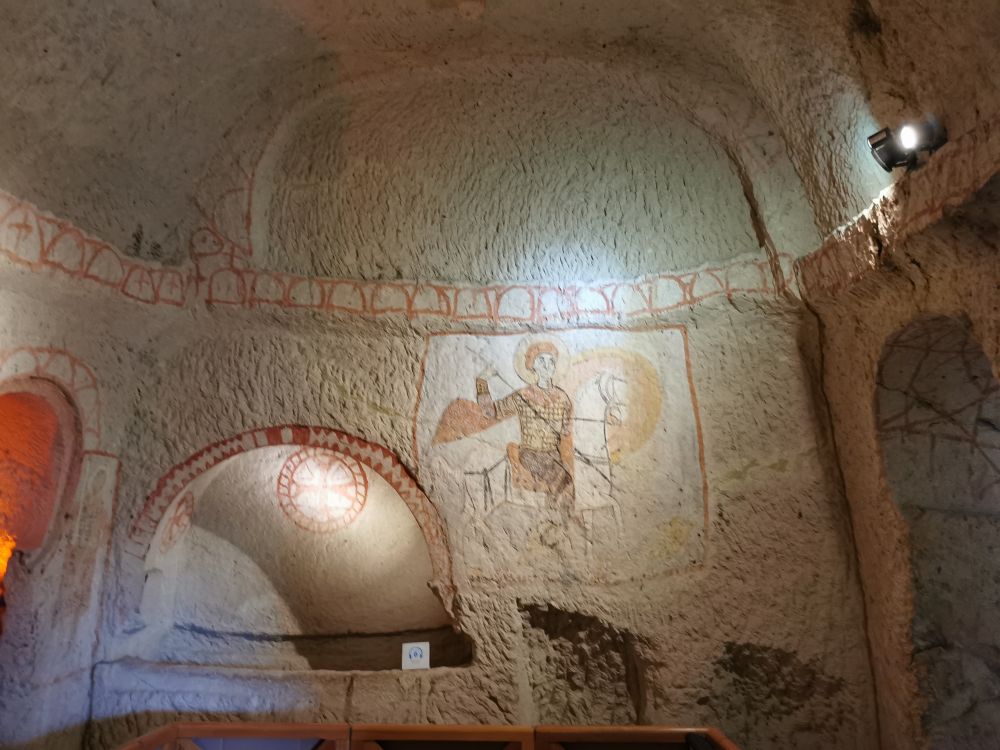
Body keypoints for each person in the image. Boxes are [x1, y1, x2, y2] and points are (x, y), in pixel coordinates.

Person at [475, 341, 574, 509]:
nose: (547, 366)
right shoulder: (523, 396)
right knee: (560, 477)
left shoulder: (563, 398)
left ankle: (559, 516)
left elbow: (566, 430)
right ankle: (551, 514)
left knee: (568, 479)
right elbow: (491, 412)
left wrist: (558, 427)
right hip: (530, 454)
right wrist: (482, 382)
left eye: (551, 361)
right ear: (532, 366)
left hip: (554, 455)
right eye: (541, 360)